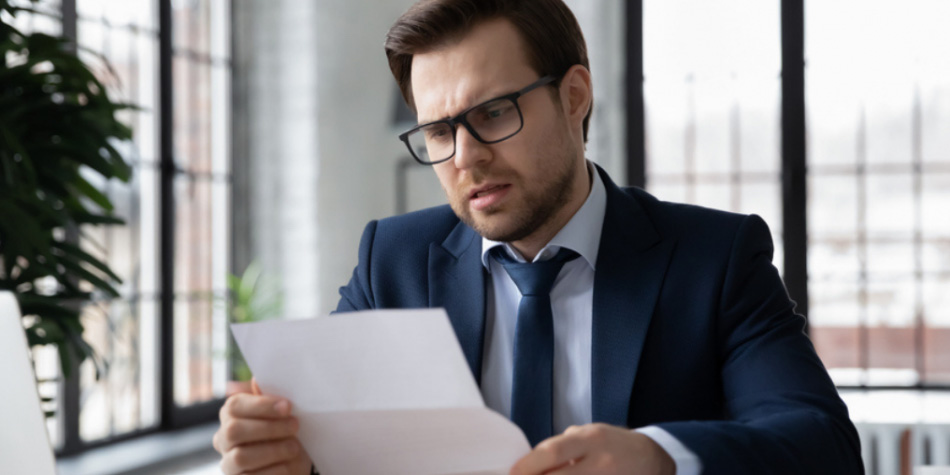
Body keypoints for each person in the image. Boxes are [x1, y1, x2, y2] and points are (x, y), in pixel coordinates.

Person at [214, 0, 864, 473]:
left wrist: (660, 456)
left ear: (574, 95)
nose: (464, 157)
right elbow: (338, 449)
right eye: (439, 132)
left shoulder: (714, 259)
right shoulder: (393, 260)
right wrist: (283, 456)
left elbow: (821, 444)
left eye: (493, 112)